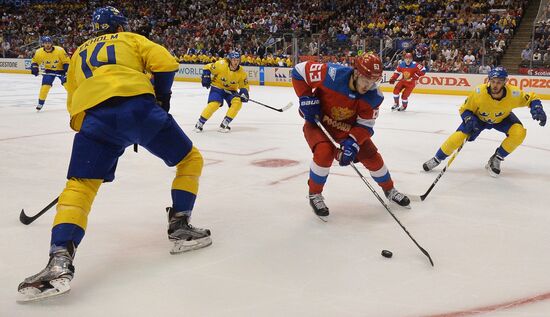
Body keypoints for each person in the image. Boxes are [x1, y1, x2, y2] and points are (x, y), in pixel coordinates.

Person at [17, 6, 211, 303]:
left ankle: (59, 261)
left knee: (80, 185)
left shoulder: (78, 52)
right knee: (190, 160)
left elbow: (74, 102)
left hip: (95, 119)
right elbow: (167, 63)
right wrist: (161, 99)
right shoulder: (130, 39)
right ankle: (180, 226)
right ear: (120, 26)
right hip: (140, 108)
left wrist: (102, 136)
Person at [291, 52, 411, 218]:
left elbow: (366, 125)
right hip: (319, 123)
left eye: (373, 81)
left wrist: (353, 143)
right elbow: (299, 71)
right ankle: (315, 194)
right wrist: (305, 97)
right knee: (324, 152)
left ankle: (389, 189)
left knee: (371, 156)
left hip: (347, 129)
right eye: (366, 79)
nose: (368, 85)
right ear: (356, 72)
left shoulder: (374, 96)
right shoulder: (331, 74)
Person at [422, 66, 546, 177]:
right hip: (478, 119)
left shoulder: (513, 93)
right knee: (458, 137)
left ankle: (496, 158)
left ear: (505, 82)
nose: (495, 85)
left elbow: (532, 98)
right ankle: (437, 158)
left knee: (519, 133)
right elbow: (464, 109)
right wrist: (469, 118)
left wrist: (537, 107)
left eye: (499, 82)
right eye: (493, 81)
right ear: (489, 80)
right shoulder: (479, 92)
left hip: (502, 119)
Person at [194, 51, 250, 133]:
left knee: (237, 102)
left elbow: (244, 85)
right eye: (234, 60)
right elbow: (207, 67)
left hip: (231, 91)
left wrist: (244, 92)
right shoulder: (221, 64)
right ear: (230, 60)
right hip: (217, 87)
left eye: (237, 60)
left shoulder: (242, 72)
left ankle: (225, 123)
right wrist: (206, 76)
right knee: (214, 104)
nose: (236, 62)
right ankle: (200, 123)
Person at [30, 36, 70, 111]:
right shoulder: (39, 52)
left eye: (49, 43)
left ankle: (75, 100)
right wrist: (34, 67)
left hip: (61, 70)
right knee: (45, 87)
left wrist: (66, 68)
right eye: (45, 43)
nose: (47, 45)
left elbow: (66, 61)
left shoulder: (60, 50)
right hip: (49, 71)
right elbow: (34, 61)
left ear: (52, 43)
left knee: (68, 85)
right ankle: (40, 103)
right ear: (43, 44)